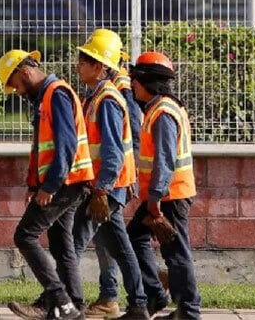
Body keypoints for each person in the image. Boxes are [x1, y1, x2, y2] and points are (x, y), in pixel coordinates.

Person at [0, 49, 94, 320]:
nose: (16, 91)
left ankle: (60, 301)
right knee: (62, 246)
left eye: (14, 83)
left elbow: (66, 146)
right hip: (67, 181)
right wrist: (35, 185)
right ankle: (74, 307)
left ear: (25, 72)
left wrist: (49, 187)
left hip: (65, 182)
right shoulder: (47, 97)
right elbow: (45, 149)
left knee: (25, 236)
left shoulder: (57, 94)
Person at [71, 30, 149, 320]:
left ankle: (61, 300)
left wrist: (101, 190)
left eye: (85, 59)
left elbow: (114, 153)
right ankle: (139, 303)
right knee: (118, 245)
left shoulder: (107, 100)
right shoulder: (96, 97)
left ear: (101, 67)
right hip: (106, 187)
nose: (79, 64)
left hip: (107, 188)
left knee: (75, 241)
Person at [127, 51, 200, 320]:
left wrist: (155, 198)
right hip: (165, 195)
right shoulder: (161, 107)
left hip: (170, 196)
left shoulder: (163, 112)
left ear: (148, 80)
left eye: (135, 78)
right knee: (135, 237)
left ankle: (189, 311)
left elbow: (165, 160)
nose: (132, 83)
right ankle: (156, 295)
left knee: (177, 254)